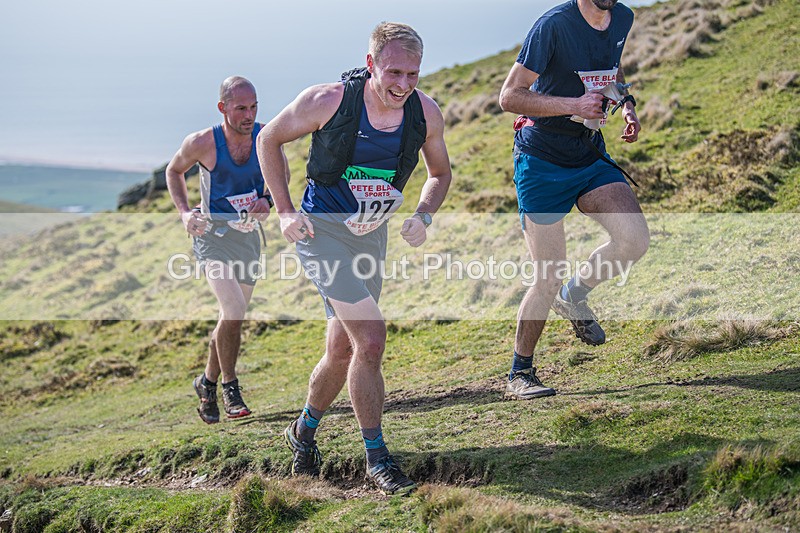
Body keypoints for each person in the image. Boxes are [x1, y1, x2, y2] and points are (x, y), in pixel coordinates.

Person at [256, 22, 452, 495]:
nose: (403, 84)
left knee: (343, 350)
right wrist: (284, 212)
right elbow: (269, 140)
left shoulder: (425, 113)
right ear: (371, 65)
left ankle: (302, 430)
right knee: (371, 338)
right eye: (393, 72)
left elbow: (440, 173)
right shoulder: (327, 101)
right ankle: (377, 457)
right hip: (319, 232)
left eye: (413, 74)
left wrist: (423, 215)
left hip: (370, 237)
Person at [498, 0, 649, 399]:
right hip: (541, 160)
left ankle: (575, 294)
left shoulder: (623, 17)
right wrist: (573, 106)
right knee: (547, 274)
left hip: (587, 154)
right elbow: (510, 96)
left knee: (633, 240)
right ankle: (520, 372)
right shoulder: (553, 26)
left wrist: (626, 103)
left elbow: (611, 70)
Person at [166, 76, 275, 423]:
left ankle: (206, 383)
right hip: (212, 237)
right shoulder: (202, 142)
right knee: (233, 309)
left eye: (254, 106)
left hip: (247, 239)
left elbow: (279, 176)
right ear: (223, 107)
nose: (249, 114)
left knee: (231, 318)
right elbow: (173, 171)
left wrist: (267, 201)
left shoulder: (266, 136)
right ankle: (230, 386)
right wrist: (185, 214)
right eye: (241, 107)